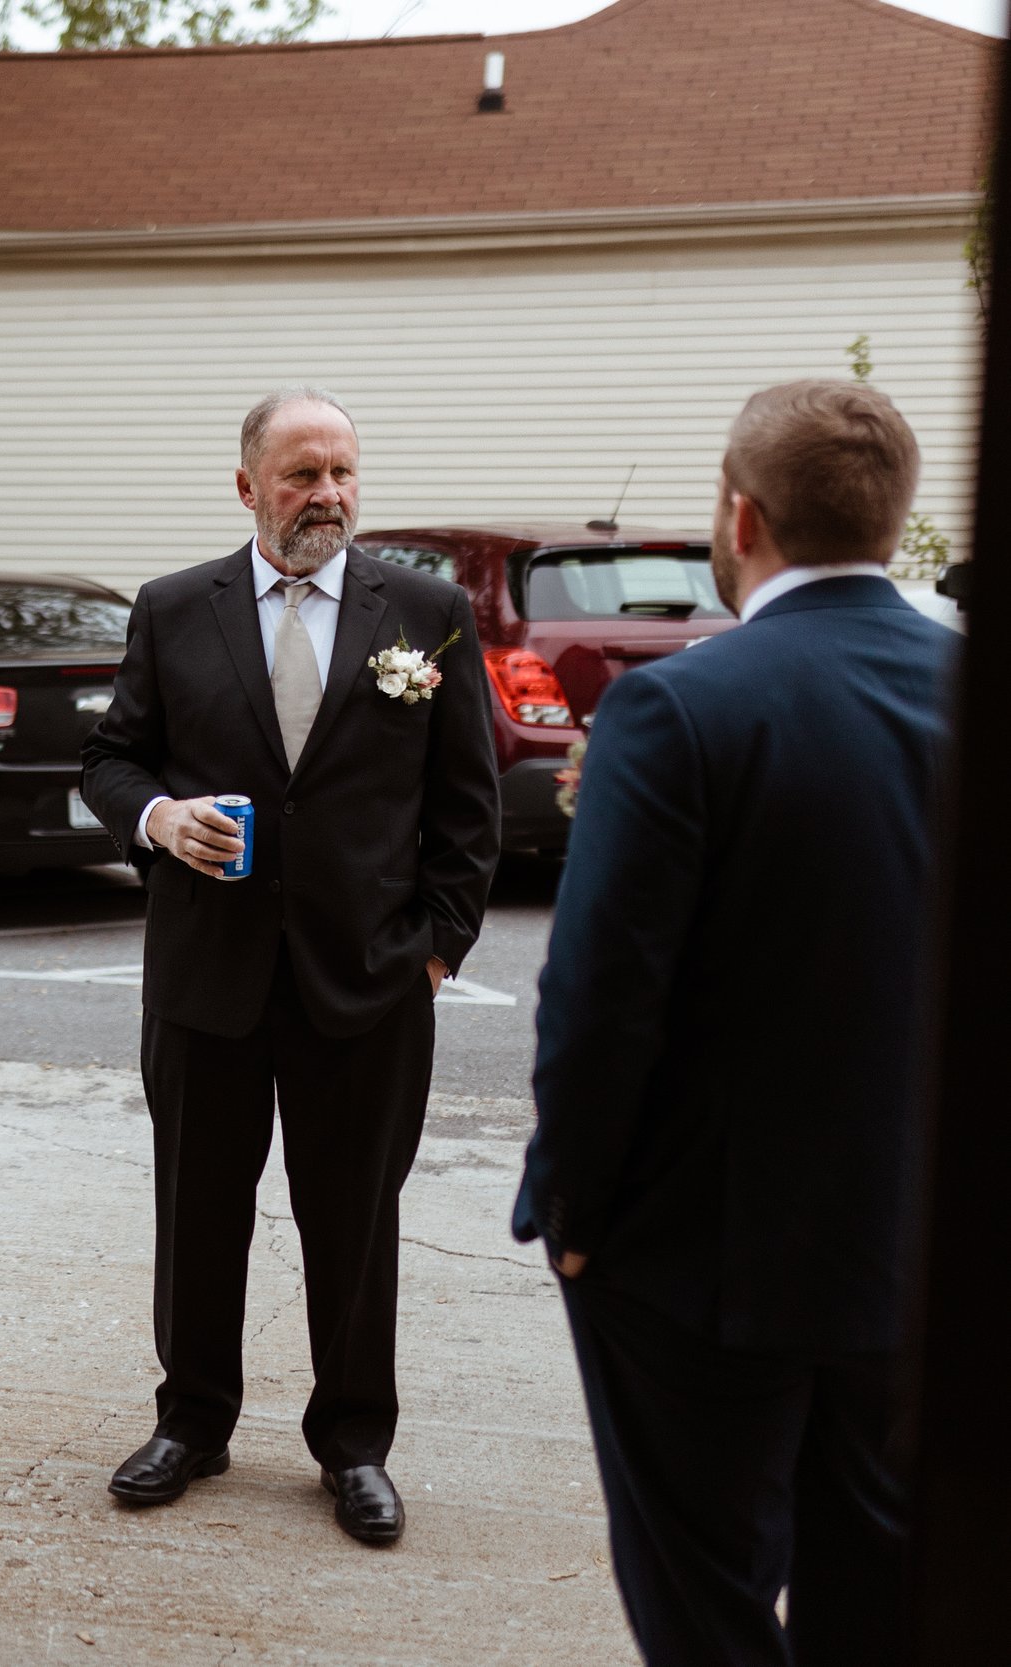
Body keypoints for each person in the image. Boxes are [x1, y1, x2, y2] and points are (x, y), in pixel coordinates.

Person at [514, 380, 957, 1664]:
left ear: (739, 514)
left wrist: (574, 1215)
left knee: (703, 1599)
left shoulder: (682, 707)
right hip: (917, 1257)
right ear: (891, 517)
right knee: (875, 1590)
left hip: (704, 1265)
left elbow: (598, 999)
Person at [81, 387, 500, 1546]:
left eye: (343, 472)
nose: (327, 494)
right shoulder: (174, 609)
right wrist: (158, 818)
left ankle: (354, 1444)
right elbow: (110, 758)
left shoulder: (424, 610)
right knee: (197, 1212)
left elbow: (466, 806)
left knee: (353, 1226)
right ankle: (193, 1421)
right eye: (302, 473)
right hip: (206, 978)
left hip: (367, 987)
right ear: (247, 486)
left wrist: (434, 953)